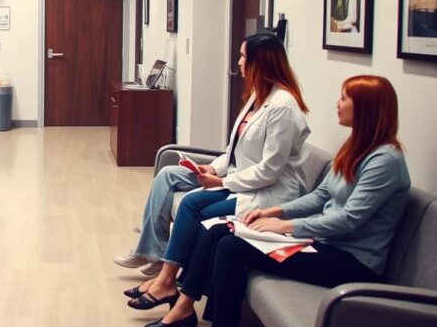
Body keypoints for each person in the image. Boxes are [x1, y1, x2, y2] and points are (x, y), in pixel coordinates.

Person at [162, 75, 409, 327]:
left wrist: (286, 227)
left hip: (352, 262)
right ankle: (190, 307)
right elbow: (320, 196)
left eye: (344, 98)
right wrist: (273, 211)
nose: (337, 104)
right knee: (220, 231)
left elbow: (349, 219)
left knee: (232, 248)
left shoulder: (385, 161)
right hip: (323, 243)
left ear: (366, 108)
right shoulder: (355, 146)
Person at [119, 32, 310, 308]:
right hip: (240, 180)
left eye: (244, 56)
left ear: (261, 62)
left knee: (194, 207)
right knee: (173, 179)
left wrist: (222, 181)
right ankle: (164, 274)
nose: (239, 62)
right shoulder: (258, 96)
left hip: (270, 193)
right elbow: (233, 151)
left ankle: (169, 281)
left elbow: (270, 170)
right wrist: (212, 167)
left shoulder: (283, 107)